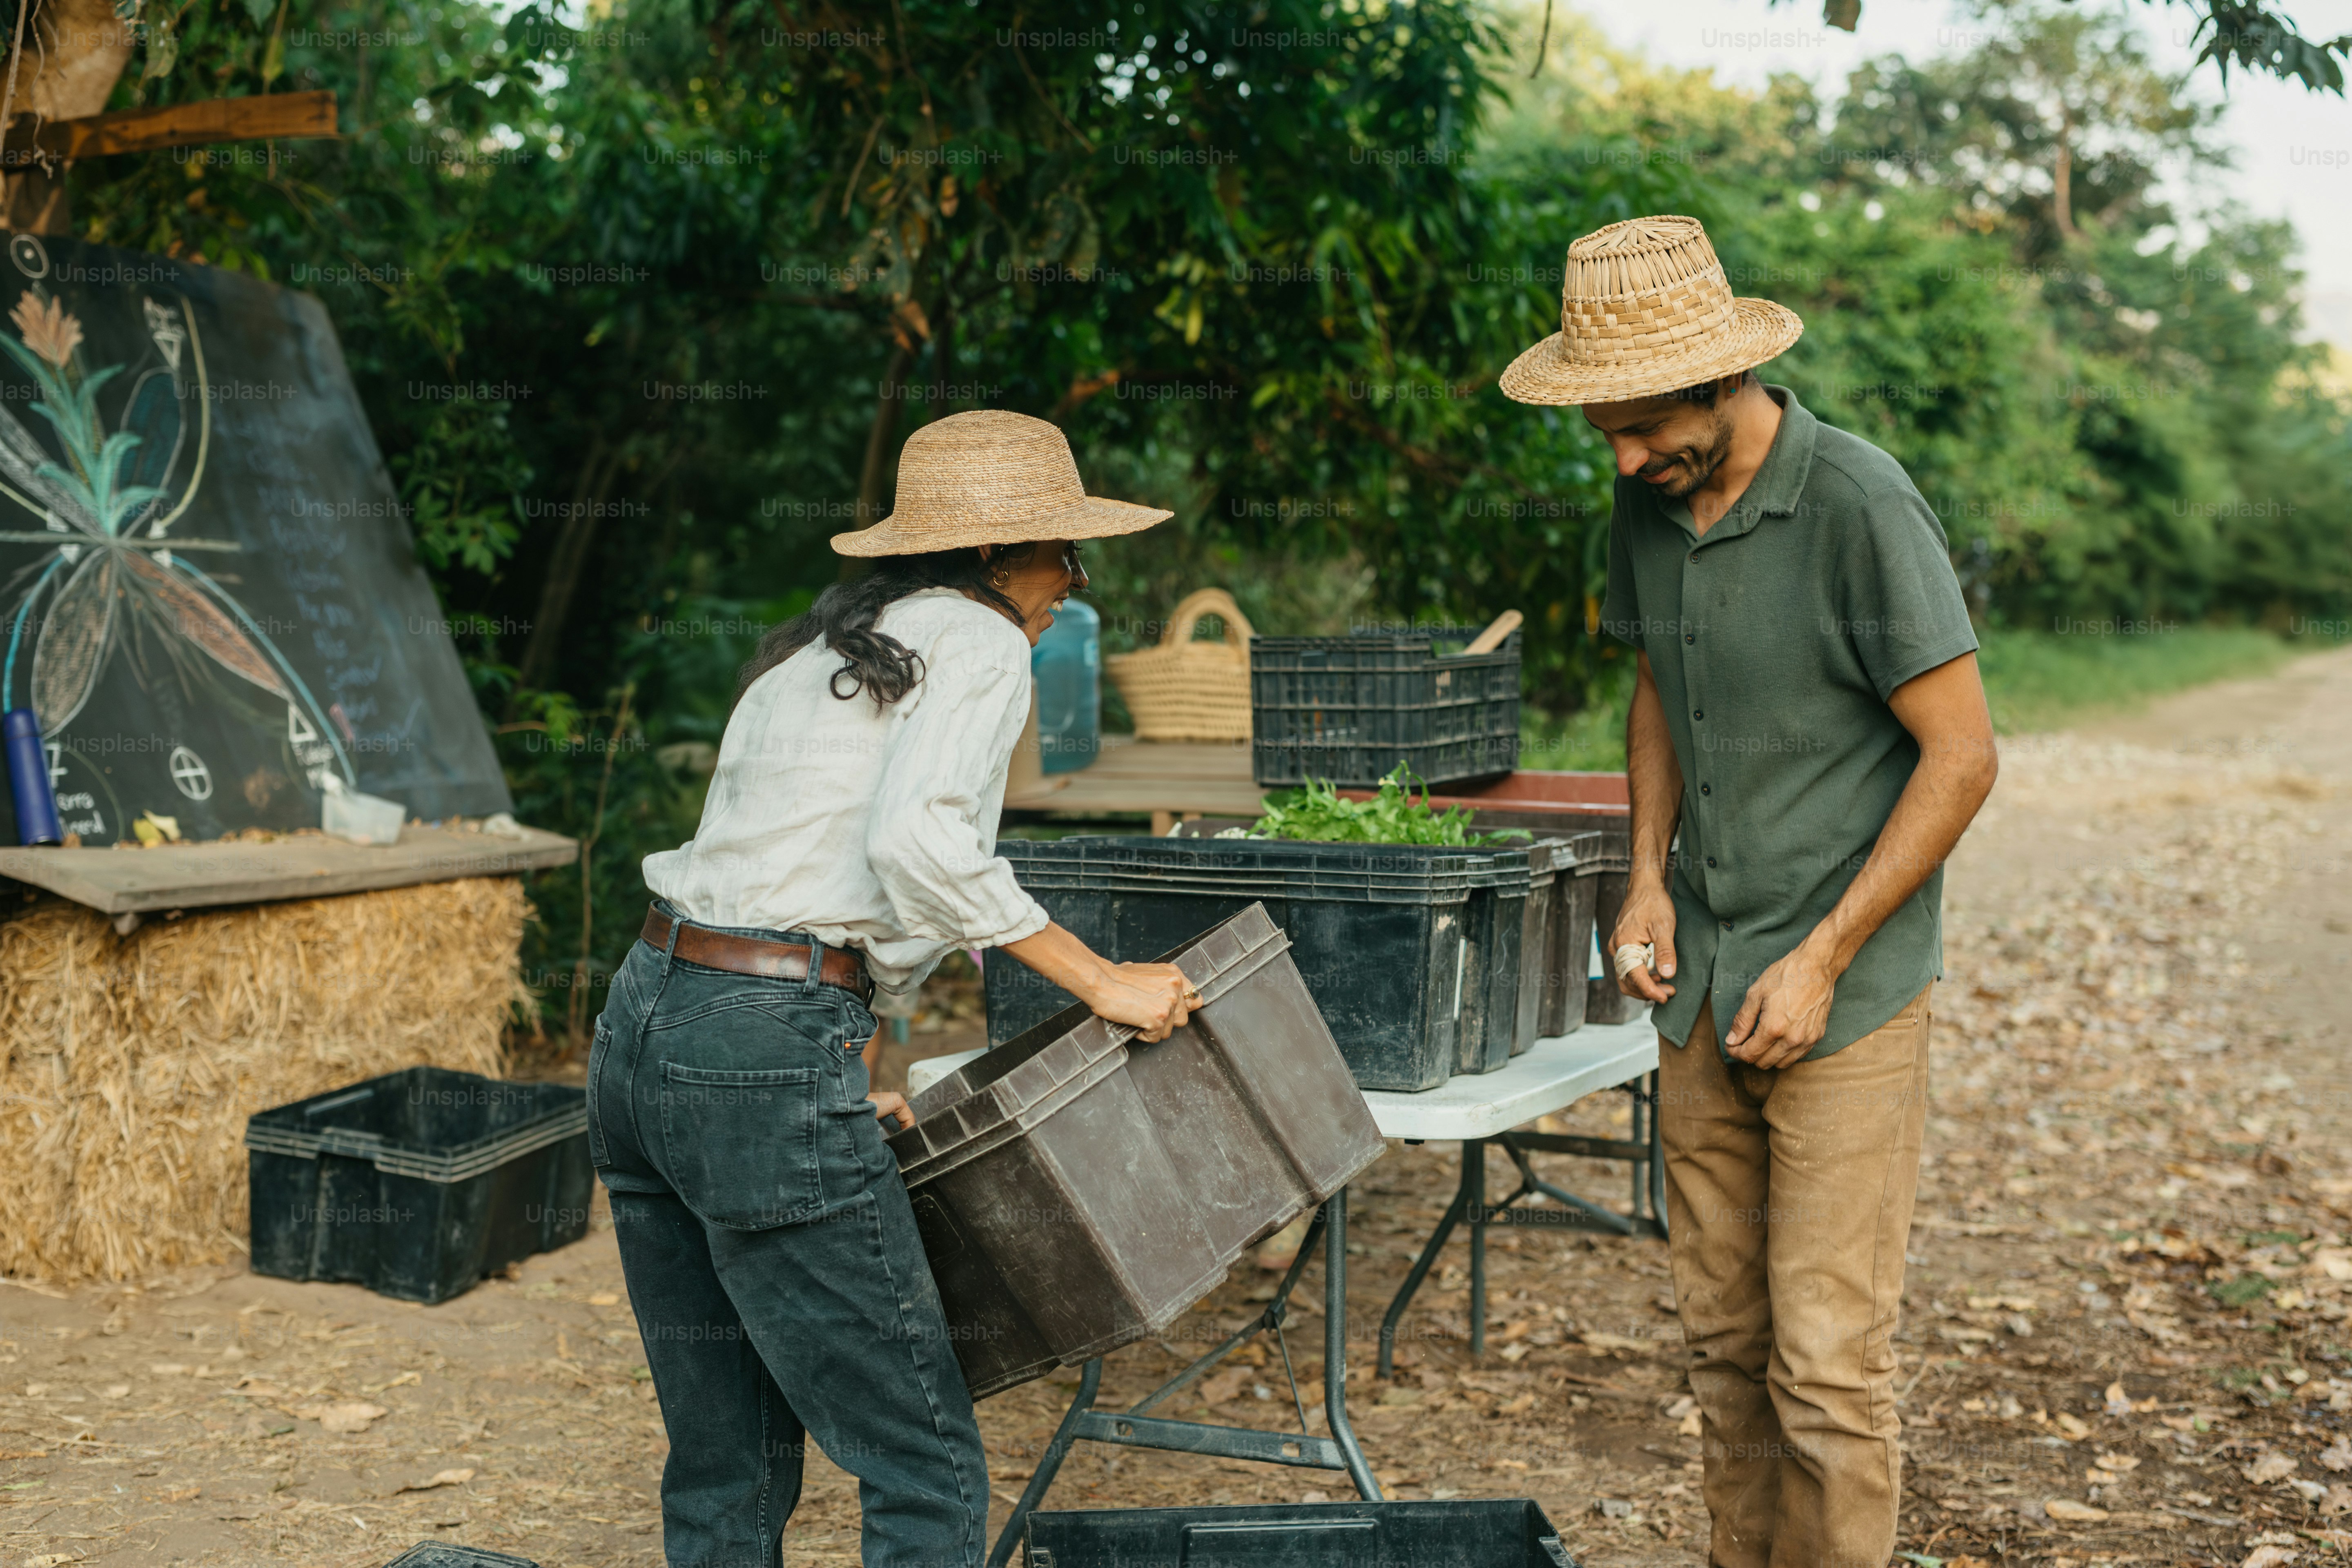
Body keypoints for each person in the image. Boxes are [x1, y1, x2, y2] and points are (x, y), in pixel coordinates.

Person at [589, 409, 1198, 1568]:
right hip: (759, 1046)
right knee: (921, 1459)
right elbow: (918, 850)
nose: (1076, 582)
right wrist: (1102, 982)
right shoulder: (979, 644)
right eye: (1065, 554)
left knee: (728, 1457)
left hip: (645, 1025)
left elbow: (804, 878)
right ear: (992, 556)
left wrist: (849, 1070)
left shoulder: (825, 654)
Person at [1502, 215, 1999, 1568]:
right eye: (1602, 433)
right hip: (1704, 985)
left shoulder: (1860, 504)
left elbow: (1963, 759)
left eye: (1642, 428)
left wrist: (1828, 956)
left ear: (1724, 384)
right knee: (1725, 1345)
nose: (1620, 459)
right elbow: (1658, 680)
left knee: (1829, 1367)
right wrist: (1646, 882)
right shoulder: (1646, 495)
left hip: (1843, 990)